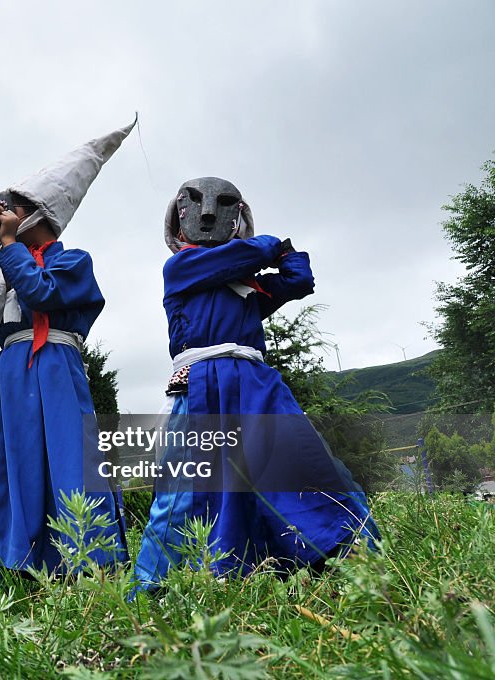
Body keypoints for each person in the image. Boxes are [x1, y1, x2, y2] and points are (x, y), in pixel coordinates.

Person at [132, 177, 378, 590]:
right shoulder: (180, 269)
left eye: (225, 205)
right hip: (203, 384)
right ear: (178, 222)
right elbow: (245, 255)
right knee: (186, 485)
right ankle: (156, 585)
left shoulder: (246, 289)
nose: (209, 213)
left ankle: (340, 551)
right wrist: (268, 245)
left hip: (255, 383)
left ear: (237, 218)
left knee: (300, 462)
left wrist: (283, 248)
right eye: (195, 205)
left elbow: (299, 280)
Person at [0, 119, 136, 579]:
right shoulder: (7, 263)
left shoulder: (75, 262)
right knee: (5, 466)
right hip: (12, 370)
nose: (6, 216)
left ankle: (88, 567)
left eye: (14, 210)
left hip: (56, 366)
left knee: (69, 462)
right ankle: (6, 564)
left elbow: (41, 294)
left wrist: (11, 245)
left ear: (39, 214)